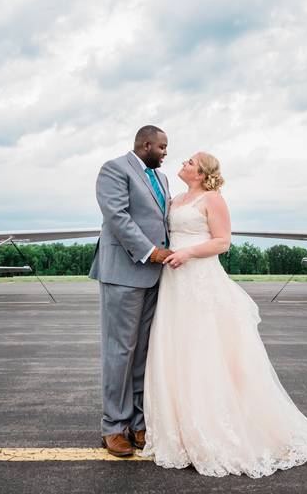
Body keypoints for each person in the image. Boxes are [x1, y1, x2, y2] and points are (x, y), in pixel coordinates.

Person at [141, 152, 307, 477]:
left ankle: (217, 425)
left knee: (204, 348)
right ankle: (178, 427)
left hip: (199, 276)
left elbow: (223, 242)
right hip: (174, 280)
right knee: (175, 347)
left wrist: (187, 252)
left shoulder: (214, 199)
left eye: (191, 162)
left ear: (202, 172)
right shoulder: (176, 199)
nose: (183, 163)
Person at [89, 125, 172, 457]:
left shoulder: (162, 180)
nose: (166, 152)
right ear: (146, 144)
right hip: (124, 273)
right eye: (163, 147)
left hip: (154, 276)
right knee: (119, 351)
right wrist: (151, 251)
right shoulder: (114, 169)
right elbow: (118, 217)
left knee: (142, 353)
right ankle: (113, 426)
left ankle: (139, 422)